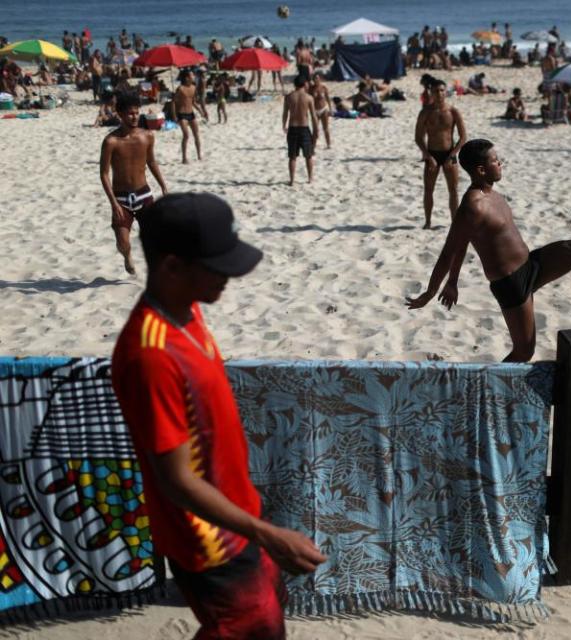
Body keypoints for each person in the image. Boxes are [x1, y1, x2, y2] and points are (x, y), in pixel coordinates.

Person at [111, 193, 326, 639]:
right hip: (209, 539)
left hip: (237, 514)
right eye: (217, 265)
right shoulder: (151, 355)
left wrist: (258, 524)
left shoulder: (186, 310)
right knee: (253, 628)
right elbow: (176, 481)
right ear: (172, 266)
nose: (231, 276)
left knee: (262, 620)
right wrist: (267, 533)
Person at [406, 140, 571, 361]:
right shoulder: (472, 207)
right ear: (481, 170)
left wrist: (454, 281)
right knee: (524, 352)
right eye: (495, 161)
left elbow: (464, 245)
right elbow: (451, 250)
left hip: (531, 264)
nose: (500, 164)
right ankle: (488, 389)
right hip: (511, 284)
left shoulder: (493, 193)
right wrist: (433, 291)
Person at [99, 93, 168, 275]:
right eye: (130, 113)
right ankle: (127, 256)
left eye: (137, 113)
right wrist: (113, 203)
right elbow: (104, 173)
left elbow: (151, 162)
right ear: (120, 114)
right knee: (123, 243)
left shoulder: (147, 136)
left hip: (143, 194)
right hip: (121, 199)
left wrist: (163, 186)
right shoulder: (111, 141)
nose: (135, 116)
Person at [414, 78, 466, 229]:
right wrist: (427, 155)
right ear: (431, 93)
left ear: (446, 92)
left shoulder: (453, 111)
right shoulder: (425, 112)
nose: (439, 94)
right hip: (432, 154)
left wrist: (452, 155)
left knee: (454, 190)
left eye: (442, 90)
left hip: (450, 153)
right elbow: (418, 137)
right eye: (436, 91)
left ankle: (455, 223)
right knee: (428, 189)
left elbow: (463, 137)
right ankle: (428, 222)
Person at [282, 74, 318, 186]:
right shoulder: (309, 98)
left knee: (292, 156)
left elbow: (285, 113)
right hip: (304, 128)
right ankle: (310, 178)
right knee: (308, 155)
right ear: (304, 84)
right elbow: (313, 116)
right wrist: (316, 130)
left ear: (295, 84)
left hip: (292, 127)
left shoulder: (288, 97)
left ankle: (292, 180)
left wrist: (284, 125)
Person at [172, 69, 202, 163]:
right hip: (182, 114)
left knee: (196, 134)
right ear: (186, 78)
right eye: (192, 75)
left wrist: (200, 110)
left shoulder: (193, 87)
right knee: (186, 135)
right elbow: (173, 102)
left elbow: (193, 102)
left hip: (191, 113)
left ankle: (199, 155)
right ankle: (184, 158)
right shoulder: (180, 88)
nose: (193, 77)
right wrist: (174, 116)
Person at [310, 72, 332, 149]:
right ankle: (313, 145)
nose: (316, 80)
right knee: (315, 129)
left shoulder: (323, 88)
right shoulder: (311, 88)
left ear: (320, 79)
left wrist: (330, 109)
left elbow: (328, 99)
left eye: (318, 78)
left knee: (325, 128)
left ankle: (329, 144)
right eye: (315, 79)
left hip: (323, 109)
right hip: (315, 110)